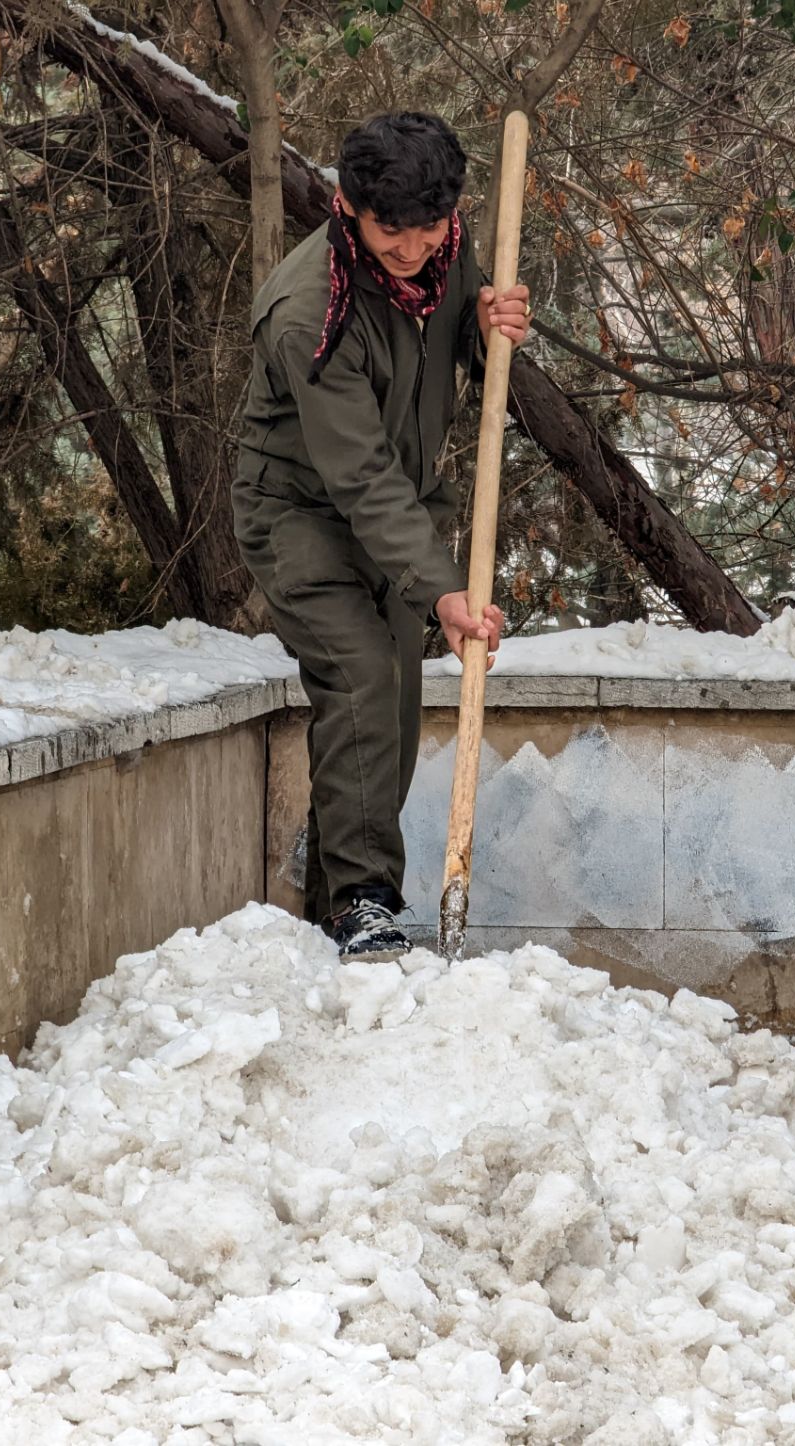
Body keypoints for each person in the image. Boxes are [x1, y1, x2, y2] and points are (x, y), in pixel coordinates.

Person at [234, 112, 529, 960]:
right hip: (298, 510)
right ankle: (362, 896)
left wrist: (484, 324)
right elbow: (355, 472)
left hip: (396, 508)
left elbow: (446, 346)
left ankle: (330, 880)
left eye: (429, 228)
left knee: (393, 701)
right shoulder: (306, 312)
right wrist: (442, 590)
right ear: (346, 208)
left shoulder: (448, 245)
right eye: (388, 229)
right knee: (361, 673)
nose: (410, 248)